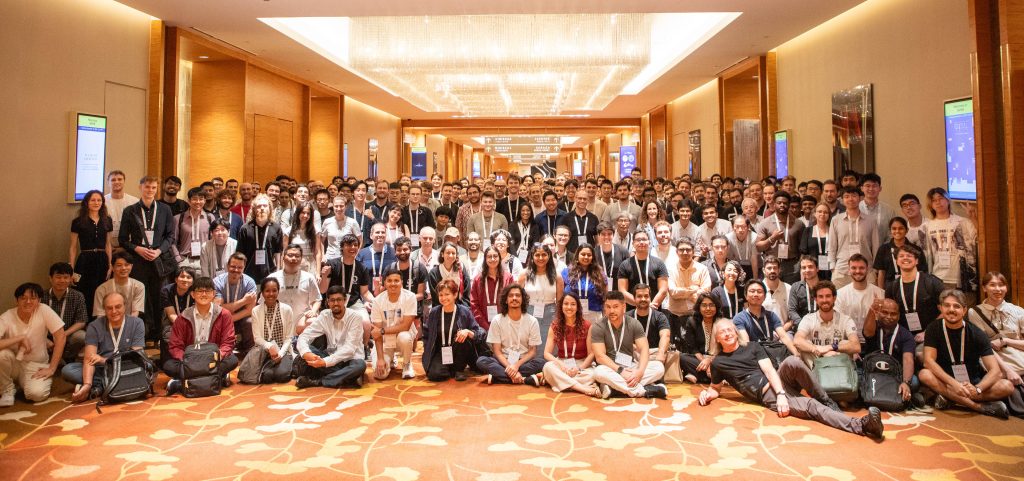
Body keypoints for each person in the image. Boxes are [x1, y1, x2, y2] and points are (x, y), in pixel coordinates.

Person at [698, 318, 883, 440]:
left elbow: (769, 370)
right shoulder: (718, 362)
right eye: (723, 332)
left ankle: (826, 400)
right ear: (717, 338)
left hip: (777, 383)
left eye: (730, 329)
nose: (728, 333)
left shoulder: (752, 347)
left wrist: (781, 393)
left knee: (793, 361)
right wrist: (706, 394)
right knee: (811, 406)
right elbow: (716, 387)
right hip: (766, 394)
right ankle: (862, 426)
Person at [919, 289, 1014, 418]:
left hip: (972, 384)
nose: (951, 309)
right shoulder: (933, 328)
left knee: (1007, 386)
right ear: (940, 308)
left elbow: (995, 370)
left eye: (956, 306)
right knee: (925, 374)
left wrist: (977, 389)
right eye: (947, 305)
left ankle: (952, 399)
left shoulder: (977, 334)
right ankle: (978, 407)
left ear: (964, 310)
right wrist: (954, 384)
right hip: (946, 382)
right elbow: (928, 361)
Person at [119, 176, 175, 343]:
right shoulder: (130, 210)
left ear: (157, 189)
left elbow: (170, 236)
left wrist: (158, 251)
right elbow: (123, 239)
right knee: (140, 297)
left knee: (158, 296)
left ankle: (157, 335)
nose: (150, 190)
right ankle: (141, 334)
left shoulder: (165, 209)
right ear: (140, 188)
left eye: (153, 188)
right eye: (147, 187)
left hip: (158, 259)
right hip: (139, 260)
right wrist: (138, 249)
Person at [62, 292, 146, 403]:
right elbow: (89, 358)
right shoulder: (94, 326)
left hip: (126, 367)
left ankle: (101, 387)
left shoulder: (137, 323)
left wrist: (104, 360)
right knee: (68, 370)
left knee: (141, 370)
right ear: (104, 310)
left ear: (125, 306)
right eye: (109, 308)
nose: (114, 311)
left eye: (118, 306)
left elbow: (136, 357)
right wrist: (87, 384)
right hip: (102, 369)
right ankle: (105, 385)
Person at [164, 276, 238, 392]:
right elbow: (175, 345)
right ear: (193, 294)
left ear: (213, 294)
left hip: (214, 358)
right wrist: (187, 359)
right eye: (200, 291)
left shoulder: (224, 315)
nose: (204, 294)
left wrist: (217, 356)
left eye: (208, 291)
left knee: (232, 360)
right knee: (168, 365)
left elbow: (228, 342)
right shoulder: (183, 317)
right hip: (190, 359)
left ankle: (182, 382)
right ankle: (216, 378)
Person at [590, 290, 667, 399]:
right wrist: (620, 371)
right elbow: (600, 357)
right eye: (608, 307)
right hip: (610, 367)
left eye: (615, 306)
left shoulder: (634, 323)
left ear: (623, 307)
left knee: (659, 368)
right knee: (598, 372)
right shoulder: (598, 326)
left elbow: (644, 349)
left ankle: (614, 389)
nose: (611, 310)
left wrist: (639, 372)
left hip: (630, 367)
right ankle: (645, 391)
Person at [966, 272, 1024, 413]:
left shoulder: (1018, 311)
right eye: (992, 285)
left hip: (1019, 358)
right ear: (984, 288)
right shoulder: (975, 312)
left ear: (1006, 288)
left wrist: (1005, 341)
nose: (997, 289)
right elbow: (984, 347)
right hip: (994, 360)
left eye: (1001, 285)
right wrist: (1007, 370)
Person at [0, 283, 66, 405]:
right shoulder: (8, 316)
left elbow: (61, 336)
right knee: (2, 354)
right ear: (17, 300)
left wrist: (52, 368)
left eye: (33, 298)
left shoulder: (44, 310)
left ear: (39, 300)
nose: (28, 302)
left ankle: (23, 384)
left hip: (36, 365)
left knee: (36, 394)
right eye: (23, 298)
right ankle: (7, 390)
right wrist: (19, 338)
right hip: (14, 362)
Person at [295, 287, 368, 389]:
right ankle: (347, 377)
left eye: (339, 300)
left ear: (345, 301)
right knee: (307, 350)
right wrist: (306, 353)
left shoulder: (355, 317)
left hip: (351, 359)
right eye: (332, 300)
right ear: (328, 302)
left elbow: (349, 349)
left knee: (360, 366)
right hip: (331, 359)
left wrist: (325, 362)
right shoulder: (325, 315)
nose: (336, 303)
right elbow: (304, 336)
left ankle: (319, 381)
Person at [476, 284, 545, 385]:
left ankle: (497, 378)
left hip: (523, 362)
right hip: (503, 361)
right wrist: (510, 367)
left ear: (522, 299)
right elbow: (497, 351)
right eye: (511, 295)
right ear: (506, 300)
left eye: (518, 295)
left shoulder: (532, 321)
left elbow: (532, 351)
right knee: (481, 361)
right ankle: (525, 379)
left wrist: (516, 366)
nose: (514, 298)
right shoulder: (497, 320)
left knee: (542, 363)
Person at [421, 279, 485, 382]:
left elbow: (480, 332)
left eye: (447, 294)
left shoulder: (464, 311)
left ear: (455, 295)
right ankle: (450, 369)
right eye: (441, 295)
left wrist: (468, 332)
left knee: (462, 337)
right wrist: (428, 350)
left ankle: (458, 369)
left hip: (458, 350)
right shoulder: (434, 312)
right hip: (441, 351)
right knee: (435, 375)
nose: (443, 298)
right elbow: (426, 335)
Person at [862, 298, 920, 407]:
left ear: (898, 316)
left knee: (914, 381)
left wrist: (906, 382)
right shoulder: (873, 326)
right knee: (857, 376)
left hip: (894, 374)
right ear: (878, 313)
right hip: (873, 372)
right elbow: (867, 332)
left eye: (893, 314)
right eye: (885, 312)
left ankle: (905, 391)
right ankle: (905, 396)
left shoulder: (906, 335)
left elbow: (908, 359)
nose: (889, 317)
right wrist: (871, 310)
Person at [541, 293, 601, 396]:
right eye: (566, 304)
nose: (569, 307)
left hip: (581, 364)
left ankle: (557, 381)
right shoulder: (555, 325)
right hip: (562, 363)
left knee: (594, 374)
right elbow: (547, 353)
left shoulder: (587, 325)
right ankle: (582, 388)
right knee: (547, 367)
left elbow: (591, 354)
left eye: (573, 304)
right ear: (561, 306)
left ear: (578, 307)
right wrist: (561, 365)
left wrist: (579, 368)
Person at [884, 245, 945, 343]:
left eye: (909, 255)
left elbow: (945, 311)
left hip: (932, 336)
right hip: (903, 338)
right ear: (897, 261)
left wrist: (927, 333)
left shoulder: (932, 283)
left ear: (917, 261)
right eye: (901, 256)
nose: (905, 258)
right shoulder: (892, 287)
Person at [794, 281, 861, 368]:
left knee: (846, 343)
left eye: (828, 296)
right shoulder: (808, 319)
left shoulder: (846, 320)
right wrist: (817, 349)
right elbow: (797, 340)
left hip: (838, 364)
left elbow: (856, 346)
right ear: (816, 299)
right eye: (820, 297)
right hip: (817, 365)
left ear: (834, 298)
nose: (824, 300)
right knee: (805, 344)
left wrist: (831, 347)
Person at [923, 187, 978, 292]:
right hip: (938, 276)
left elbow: (980, 237)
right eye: (934, 200)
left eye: (941, 198)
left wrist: (973, 217)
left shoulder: (962, 222)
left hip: (961, 276)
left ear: (947, 200)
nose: (938, 202)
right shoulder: (927, 226)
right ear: (931, 205)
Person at [69, 189, 113, 316]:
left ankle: (98, 321)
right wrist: (71, 267)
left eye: (99, 200)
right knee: (84, 290)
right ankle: (84, 321)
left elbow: (108, 244)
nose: (96, 202)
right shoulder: (77, 222)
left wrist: (110, 264)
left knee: (101, 291)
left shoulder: (107, 220)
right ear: (87, 202)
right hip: (85, 259)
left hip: (102, 259)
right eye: (93, 200)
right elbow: (73, 247)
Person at [369, 268, 418, 380]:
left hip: (402, 338)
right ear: (384, 283)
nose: (393, 284)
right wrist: (380, 359)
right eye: (389, 281)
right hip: (385, 341)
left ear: (401, 282)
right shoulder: (377, 301)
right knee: (379, 375)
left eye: (396, 280)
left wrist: (382, 330)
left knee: (404, 336)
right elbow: (376, 334)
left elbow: (405, 326)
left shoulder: (410, 297)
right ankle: (389, 359)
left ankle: (406, 364)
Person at [245, 277, 296, 384]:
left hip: (284, 351)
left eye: (274, 290)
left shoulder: (287, 310)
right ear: (262, 293)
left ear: (278, 291)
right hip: (264, 352)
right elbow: (257, 338)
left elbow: (289, 338)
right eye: (267, 291)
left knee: (282, 376)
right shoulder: (256, 311)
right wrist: (269, 347)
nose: (271, 294)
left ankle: (289, 364)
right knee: (267, 377)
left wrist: (280, 354)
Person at [828, 186, 879, 289]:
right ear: (842, 200)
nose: (850, 199)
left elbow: (876, 246)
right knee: (839, 302)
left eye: (854, 196)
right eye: (847, 196)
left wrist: (875, 269)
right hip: (841, 271)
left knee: (868, 302)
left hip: (866, 271)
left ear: (860, 198)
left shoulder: (870, 221)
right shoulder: (836, 220)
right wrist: (833, 267)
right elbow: (832, 245)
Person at [267, 244, 321, 334]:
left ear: (301, 259)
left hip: (300, 320)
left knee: (313, 321)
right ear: (283, 257)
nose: (293, 258)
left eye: (297, 256)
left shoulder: (309, 278)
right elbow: (263, 302)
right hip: (278, 320)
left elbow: (317, 299)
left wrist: (313, 311)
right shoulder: (272, 278)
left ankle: (304, 344)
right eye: (290, 255)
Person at [834, 254, 885, 347]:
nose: (857, 271)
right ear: (849, 270)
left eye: (861, 268)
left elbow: (883, 322)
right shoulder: (840, 294)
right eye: (854, 268)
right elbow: (838, 324)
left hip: (874, 342)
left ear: (867, 269)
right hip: (848, 342)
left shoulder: (880, 293)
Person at [43, 263, 88, 364]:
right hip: (46, 336)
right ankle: (52, 358)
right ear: (50, 278)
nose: (62, 280)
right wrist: (44, 338)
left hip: (67, 334)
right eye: (58, 277)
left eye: (66, 277)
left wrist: (63, 334)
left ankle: (66, 357)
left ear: (71, 278)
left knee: (81, 336)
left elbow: (81, 321)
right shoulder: (42, 296)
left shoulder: (77, 296)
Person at [213, 253, 258, 356]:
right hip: (221, 318)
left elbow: (249, 310)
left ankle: (249, 351)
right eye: (233, 266)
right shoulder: (217, 282)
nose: (236, 270)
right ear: (228, 266)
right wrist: (244, 301)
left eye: (240, 267)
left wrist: (230, 317)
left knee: (251, 321)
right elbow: (217, 309)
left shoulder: (250, 283)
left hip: (241, 318)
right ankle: (220, 350)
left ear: (244, 268)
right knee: (215, 319)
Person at [320, 234, 374, 318]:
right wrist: (324, 276)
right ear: (342, 247)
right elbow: (323, 290)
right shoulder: (331, 265)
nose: (353, 247)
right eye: (349, 244)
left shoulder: (362, 268)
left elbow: (365, 292)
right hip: (334, 303)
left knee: (366, 322)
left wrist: (376, 301)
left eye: (355, 245)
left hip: (354, 303)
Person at [755, 191, 804, 283]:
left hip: (792, 266)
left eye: (785, 203)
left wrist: (800, 264)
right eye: (779, 203)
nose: (782, 205)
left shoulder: (799, 224)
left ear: (789, 205)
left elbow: (803, 248)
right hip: (772, 265)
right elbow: (758, 247)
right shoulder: (765, 223)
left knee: (791, 293)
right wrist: (772, 238)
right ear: (774, 204)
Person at [237, 193, 284, 283]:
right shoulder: (245, 228)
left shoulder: (276, 228)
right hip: (249, 274)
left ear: (269, 209)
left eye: (265, 206)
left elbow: (278, 252)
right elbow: (240, 253)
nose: (262, 208)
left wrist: (278, 271)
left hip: (270, 273)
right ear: (254, 209)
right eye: (259, 206)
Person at [618, 229, 670, 308]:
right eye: (638, 240)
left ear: (649, 242)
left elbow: (663, 290)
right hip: (632, 311)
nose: (641, 242)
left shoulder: (659, 263)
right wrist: (641, 305)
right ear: (633, 243)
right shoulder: (624, 265)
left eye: (644, 239)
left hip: (654, 309)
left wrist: (650, 306)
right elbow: (622, 291)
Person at [626, 284, 671, 367]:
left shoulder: (660, 316)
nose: (643, 299)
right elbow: (623, 339)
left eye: (646, 296)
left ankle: (635, 374)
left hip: (653, 354)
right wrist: (638, 349)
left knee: (659, 366)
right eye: (639, 296)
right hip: (634, 353)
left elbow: (665, 335)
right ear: (634, 298)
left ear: (650, 298)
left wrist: (661, 353)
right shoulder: (626, 317)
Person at [680, 293, 721, 383]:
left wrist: (710, 360)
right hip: (699, 359)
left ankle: (697, 375)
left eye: (711, 305)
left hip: (717, 358)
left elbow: (724, 349)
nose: (708, 309)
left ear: (717, 307)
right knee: (681, 357)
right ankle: (714, 377)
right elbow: (693, 348)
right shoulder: (692, 322)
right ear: (699, 307)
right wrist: (705, 361)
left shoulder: (722, 321)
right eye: (704, 305)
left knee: (727, 362)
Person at [470, 246, 514, 331]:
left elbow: (512, 301)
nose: (493, 259)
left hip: (505, 325)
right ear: (485, 259)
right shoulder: (477, 279)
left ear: (499, 258)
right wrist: (485, 326)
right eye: (489, 256)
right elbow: (474, 305)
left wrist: (505, 322)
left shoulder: (508, 277)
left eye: (495, 256)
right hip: (482, 327)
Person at [171, 187, 215, 271]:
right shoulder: (178, 218)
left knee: (203, 284)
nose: (198, 202)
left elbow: (213, 240)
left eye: (201, 199)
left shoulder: (210, 218)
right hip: (185, 261)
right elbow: (173, 241)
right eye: (194, 199)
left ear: (205, 201)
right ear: (188, 201)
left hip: (205, 261)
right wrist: (178, 258)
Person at [93, 251, 146, 319]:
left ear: (131, 266)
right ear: (112, 267)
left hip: (129, 323)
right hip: (107, 324)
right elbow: (100, 315)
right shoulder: (102, 289)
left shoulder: (139, 286)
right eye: (119, 265)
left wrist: (125, 327)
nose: (123, 268)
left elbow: (135, 312)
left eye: (126, 265)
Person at [562, 244, 607, 323]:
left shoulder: (600, 274)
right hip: (571, 314)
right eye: (583, 254)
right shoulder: (567, 272)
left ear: (592, 257)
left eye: (589, 255)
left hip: (594, 315)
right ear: (577, 256)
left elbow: (605, 297)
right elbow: (561, 295)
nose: (586, 257)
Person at [284, 202, 323, 280]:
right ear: (298, 213)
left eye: (308, 213)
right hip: (293, 264)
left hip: (310, 265)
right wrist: (283, 269)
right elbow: (284, 252)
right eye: (303, 213)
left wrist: (318, 273)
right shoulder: (289, 231)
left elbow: (318, 252)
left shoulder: (315, 231)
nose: (305, 216)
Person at [357, 223, 397, 296]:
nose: (380, 235)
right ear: (371, 235)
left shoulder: (394, 253)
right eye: (377, 232)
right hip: (367, 296)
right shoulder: (362, 253)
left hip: (389, 295)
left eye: (383, 232)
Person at [428, 242, 472, 309]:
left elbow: (466, 293)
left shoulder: (461, 269)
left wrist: (463, 310)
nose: (451, 255)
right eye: (448, 253)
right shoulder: (433, 273)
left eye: (453, 253)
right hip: (441, 310)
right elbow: (435, 298)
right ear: (442, 254)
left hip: (460, 308)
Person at [858, 173, 898, 243]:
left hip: (883, 250)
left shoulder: (889, 210)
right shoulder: (856, 208)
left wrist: (883, 249)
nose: (871, 189)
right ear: (862, 188)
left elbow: (892, 233)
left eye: (874, 186)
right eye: (867, 186)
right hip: (860, 251)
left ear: (880, 188)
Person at [104, 170, 139, 249]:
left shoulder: (135, 202)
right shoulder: (102, 202)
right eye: (113, 180)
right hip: (106, 247)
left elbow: (138, 228)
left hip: (130, 247)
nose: (116, 182)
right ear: (108, 183)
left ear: (124, 181)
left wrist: (126, 247)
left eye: (120, 179)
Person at [787, 256, 821, 333]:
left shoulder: (826, 286)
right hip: (801, 328)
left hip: (822, 327)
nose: (807, 270)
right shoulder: (795, 287)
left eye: (810, 267)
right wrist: (803, 325)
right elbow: (792, 310)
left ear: (817, 268)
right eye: (804, 268)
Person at [800, 203, 833, 281]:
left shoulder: (833, 230)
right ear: (815, 214)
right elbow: (804, 254)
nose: (822, 214)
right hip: (811, 270)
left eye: (825, 212)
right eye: (820, 211)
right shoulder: (808, 231)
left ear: (829, 215)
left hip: (830, 270)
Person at [401, 184, 435, 249]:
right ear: (408, 195)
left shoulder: (427, 211)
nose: (415, 196)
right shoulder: (402, 211)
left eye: (418, 194)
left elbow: (431, 229)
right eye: (413, 194)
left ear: (421, 195)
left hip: (423, 244)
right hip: (405, 244)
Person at [726, 215, 759, 281]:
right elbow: (731, 258)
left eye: (743, 226)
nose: (740, 230)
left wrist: (755, 279)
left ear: (748, 226)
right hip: (737, 266)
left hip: (754, 266)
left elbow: (754, 259)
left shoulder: (754, 237)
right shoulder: (728, 238)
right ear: (732, 227)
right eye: (737, 227)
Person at [761, 256, 791, 323]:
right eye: (769, 268)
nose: (772, 271)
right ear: (763, 270)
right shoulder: (757, 289)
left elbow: (793, 316)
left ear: (779, 270)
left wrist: (782, 331)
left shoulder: (788, 288)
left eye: (775, 268)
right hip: (762, 331)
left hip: (785, 330)